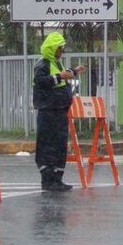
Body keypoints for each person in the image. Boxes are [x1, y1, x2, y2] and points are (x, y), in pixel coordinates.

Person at [33, 32, 84, 191]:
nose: (62, 51)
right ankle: (47, 180)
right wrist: (60, 76)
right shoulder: (42, 64)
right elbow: (41, 81)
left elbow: (62, 77)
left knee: (60, 145)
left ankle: (57, 179)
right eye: (60, 48)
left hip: (60, 111)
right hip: (48, 111)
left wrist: (74, 72)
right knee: (47, 145)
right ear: (53, 48)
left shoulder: (57, 63)